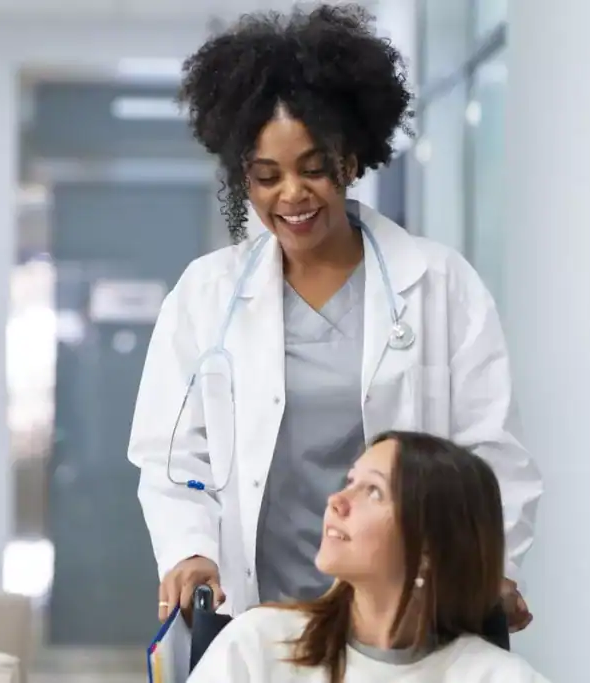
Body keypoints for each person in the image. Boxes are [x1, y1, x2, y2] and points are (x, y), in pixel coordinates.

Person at [126, 3, 543, 632]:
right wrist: (190, 550)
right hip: (258, 613)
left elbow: (490, 452)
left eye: (313, 169)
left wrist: (493, 566)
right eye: (266, 177)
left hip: (408, 611)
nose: (291, 195)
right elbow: (171, 460)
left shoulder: (438, 283)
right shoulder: (205, 296)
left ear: (349, 161)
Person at [187, 432, 551, 682]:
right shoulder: (257, 646)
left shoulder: (500, 677)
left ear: (428, 548)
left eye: (373, 492)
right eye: (349, 482)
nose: (336, 501)